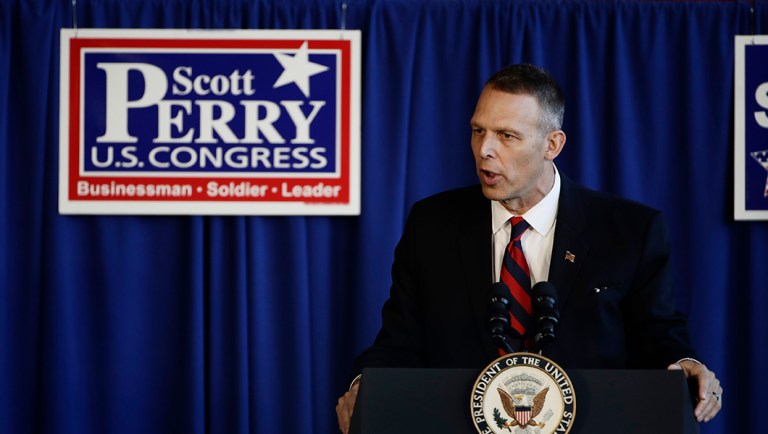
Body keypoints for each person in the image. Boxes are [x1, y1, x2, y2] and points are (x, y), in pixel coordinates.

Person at [336, 64, 722, 433]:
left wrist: (687, 365)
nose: (484, 149)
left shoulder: (629, 230)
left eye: (506, 135)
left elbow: (657, 337)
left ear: (552, 144)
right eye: (477, 130)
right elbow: (400, 343)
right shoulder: (432, 224)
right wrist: (362, 386)